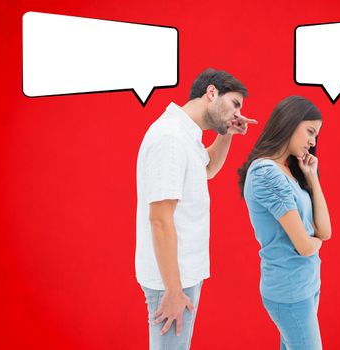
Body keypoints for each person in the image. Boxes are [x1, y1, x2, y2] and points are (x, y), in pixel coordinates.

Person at [136, 68, 257, 349]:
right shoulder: (170, 138)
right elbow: (160, 220)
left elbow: (209, 168)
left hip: (183, 273)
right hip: (172, 280)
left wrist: (227, 132)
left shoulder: (186, 134)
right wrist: (174, 290)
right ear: (211, 93)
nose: (238, 113)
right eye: (235, 103)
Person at [238, 96, 332, 350]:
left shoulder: (290, 171)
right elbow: (304, 245)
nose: (313, 142)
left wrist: (312, 178)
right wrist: (315, 243)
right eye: (310, 131)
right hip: (290, 290)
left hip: (307, 283)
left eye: (316, 135)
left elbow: (325, 231)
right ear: (290, 123)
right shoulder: (266, 173)